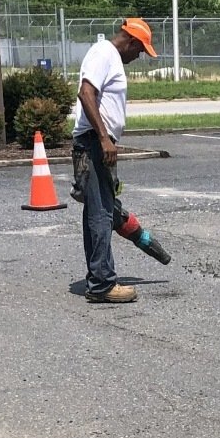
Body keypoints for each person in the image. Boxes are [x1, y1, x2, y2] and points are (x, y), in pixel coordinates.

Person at [71, 18, 155, 304]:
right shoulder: (104, 53)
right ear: (131, 42)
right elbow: (86, 93)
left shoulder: (108, 57)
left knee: (99, 211)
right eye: (140, 50)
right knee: (102, 214)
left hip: (98, 143)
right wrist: (104, 138)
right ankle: (103, 283)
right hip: (95, 143)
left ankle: (99, 277)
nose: (139, 56)